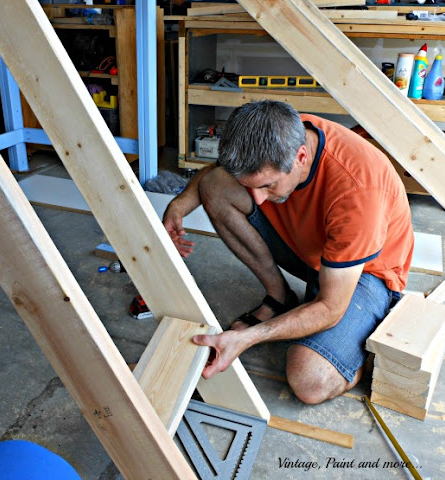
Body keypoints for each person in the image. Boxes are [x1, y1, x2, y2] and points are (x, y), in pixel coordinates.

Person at [163, 100, 414, 404]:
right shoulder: (276, 132)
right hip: (315, 254)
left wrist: (248, 338)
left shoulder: (359, 192)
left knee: (310, 380)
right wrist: (178, 207)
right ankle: (280, 297)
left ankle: (352, 356)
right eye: (251, 186)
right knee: (217, 185)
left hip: (365, 275)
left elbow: (330, 307)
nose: (258, 199)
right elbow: (213, 175)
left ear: (301, 156)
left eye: (268, 186)